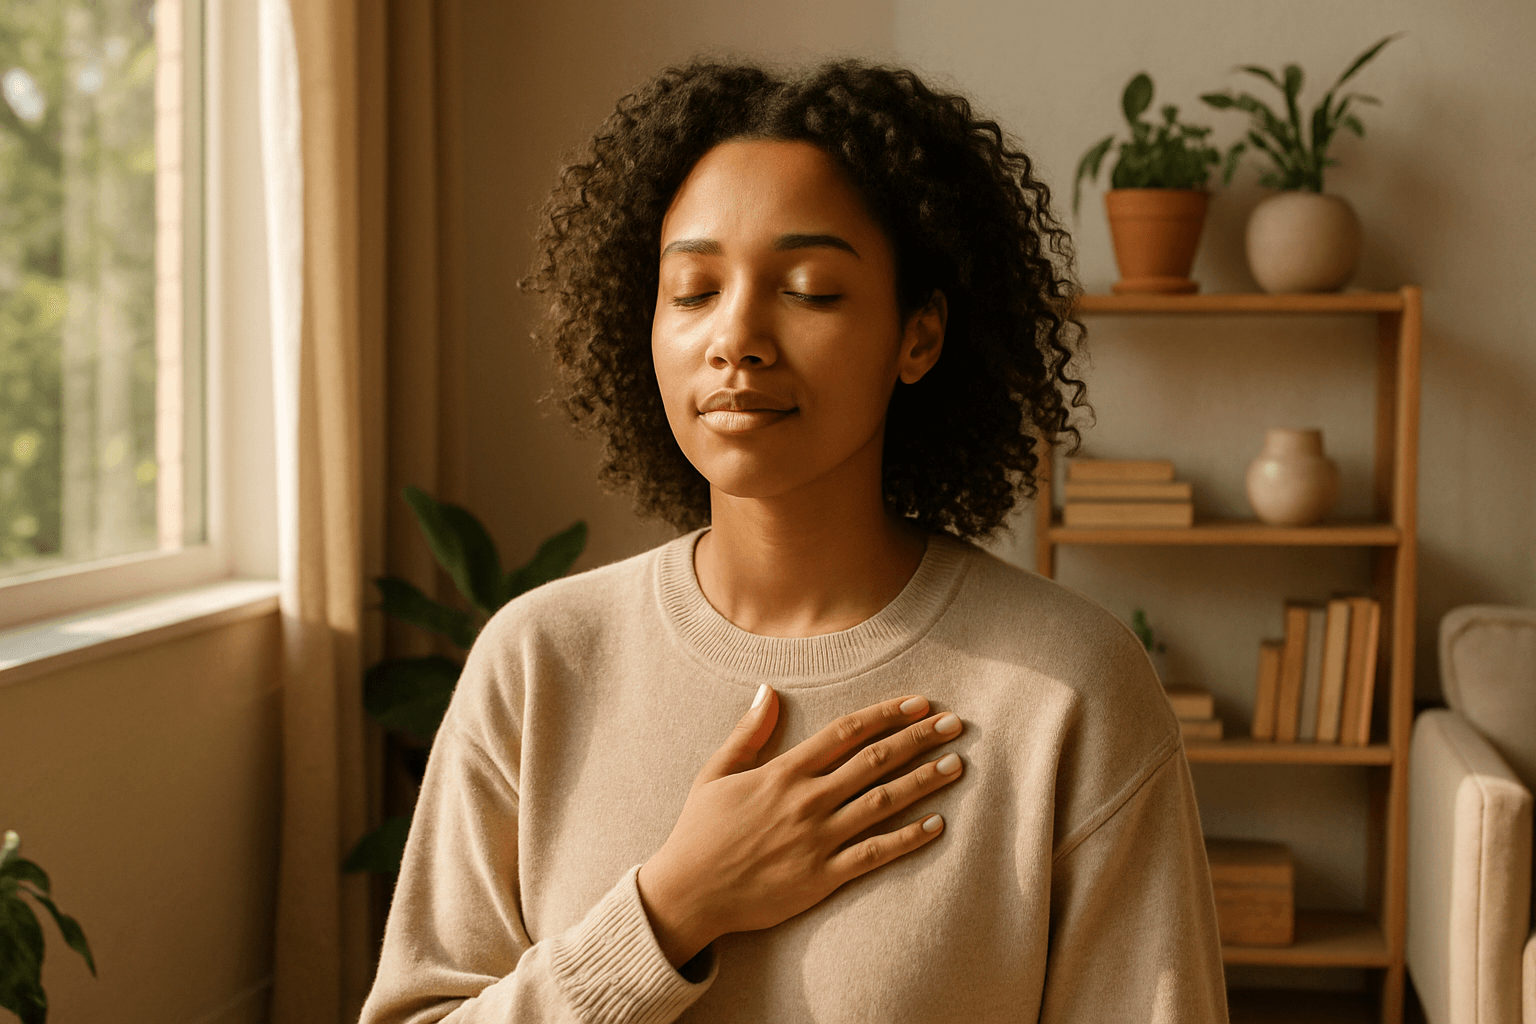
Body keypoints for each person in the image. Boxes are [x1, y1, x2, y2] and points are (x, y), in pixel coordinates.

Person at [359, 59, 1227, 1023]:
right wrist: (670, 910)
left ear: (920, 336)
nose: (738, 338)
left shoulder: (1070, 690)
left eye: (810, 290)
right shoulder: (537, 660)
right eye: (692, 290)